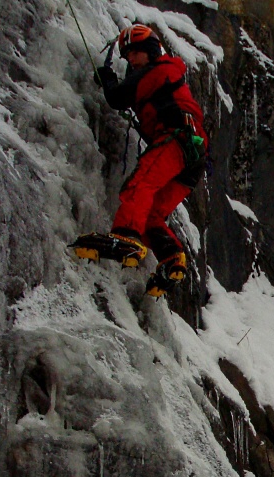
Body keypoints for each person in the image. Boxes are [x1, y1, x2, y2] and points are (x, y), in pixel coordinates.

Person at [72, 24, 208, 297]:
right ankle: (172, 259)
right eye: (127, 55)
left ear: (150, 51)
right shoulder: (164, 74)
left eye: (135, 53)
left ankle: (126, 237)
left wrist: (108, 78)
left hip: (176, 140)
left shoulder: (159, 69)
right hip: (193, 159)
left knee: (139, 185)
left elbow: (118, 97)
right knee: (151, 214)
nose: (131, 59)